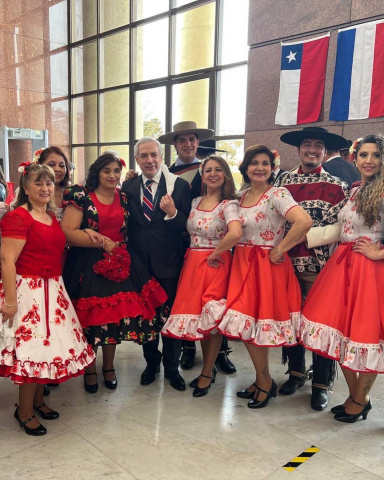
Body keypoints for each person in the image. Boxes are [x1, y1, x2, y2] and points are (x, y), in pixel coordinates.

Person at [0, 163, 95, 436]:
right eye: (38, 183)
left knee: (47, 350)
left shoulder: (51, 216)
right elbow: (7, 260)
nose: (45, 188)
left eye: (49, 183)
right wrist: (10, 301)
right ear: (25, 188)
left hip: (52, 290)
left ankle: (38, 402)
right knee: (32, 352)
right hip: (27, 292)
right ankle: (24, 411)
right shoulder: (19, 216)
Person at [61, 152, 167, 393]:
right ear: (96, 173)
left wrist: (113, 247)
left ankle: (108, 367)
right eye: (106, 170)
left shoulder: (125, 197)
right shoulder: (80, 196)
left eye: (116, 171)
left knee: (114, 319)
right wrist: (101, 243)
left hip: (121, 261)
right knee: (90, 320)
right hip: (87, 264)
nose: (112, 175)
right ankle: (89, 368)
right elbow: (68, 232)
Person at [218, 146, 312, 408]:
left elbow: (303, 222)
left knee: (261, 325)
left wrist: (280, 249)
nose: (260, 168)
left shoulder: (278, 194)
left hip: (266, 267)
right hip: (242, 266)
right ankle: (263, 379)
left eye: (265, 163)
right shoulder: (240, 196)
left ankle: (264, 381)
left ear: (272, 168)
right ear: (245, 168)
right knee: (248, 326)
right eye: (254, 163)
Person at [300, 134, 384, 422]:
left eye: (375, 155)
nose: (369, 160)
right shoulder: (356, 190)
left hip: (370, 273)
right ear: (355, 157)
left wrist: (379, 252)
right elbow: (343, 228)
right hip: (342, 267)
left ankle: (359, 399)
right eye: (363, 155)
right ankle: (357, 396)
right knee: (336, 333)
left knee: (367, 335)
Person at [276, 126, 348, 410]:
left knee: (321, 324)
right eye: (307, 144)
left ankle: (321, 382)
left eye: (318, 146)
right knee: (291, 320)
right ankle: (295, 373)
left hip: (320, 267)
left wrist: (309, 235)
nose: (312, 149)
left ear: (324, 152)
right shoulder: (282, 182)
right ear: (298, 150)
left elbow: (344, 226)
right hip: (284, 264)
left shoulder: (337, 185)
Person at [159, 121, 237, 374]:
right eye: (182, 140)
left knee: (214, 306)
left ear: (196, 142)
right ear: (175, 145)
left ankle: (219, 355)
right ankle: (190, 349)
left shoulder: (211, 176)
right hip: (185, 246)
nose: (187, 144)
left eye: (191, 139)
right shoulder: (167, 175)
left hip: (213, 248)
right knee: (191, 305)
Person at [121, 137, 191, 391]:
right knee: (147, 319)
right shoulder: (127, 188)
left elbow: (188, 226)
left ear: (161, 157)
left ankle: (173, 368)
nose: (150, 160)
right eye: (144, 156)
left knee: (170, 318)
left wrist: (172, 213)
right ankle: (152, 364)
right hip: (140, 267)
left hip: (170, 265)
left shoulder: (179, 186)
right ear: (137, 160)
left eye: (154, 155)